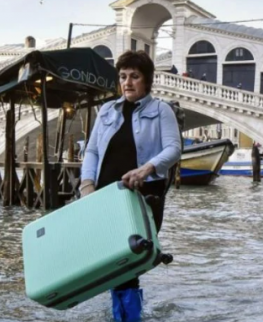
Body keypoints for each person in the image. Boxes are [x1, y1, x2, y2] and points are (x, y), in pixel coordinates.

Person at [79, 50, 181, 322]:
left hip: (144, 196)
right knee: (114, 262)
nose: (127, 82)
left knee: (128, 262)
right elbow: (91, 152)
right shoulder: (106, 110)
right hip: (105, 197)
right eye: (123, 76)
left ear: (147, 81)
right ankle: (125, 316)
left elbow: (173, 149)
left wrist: (147, 168)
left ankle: (127, 318)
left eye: (135, 76)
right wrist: (86, 185)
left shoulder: (162, 110)